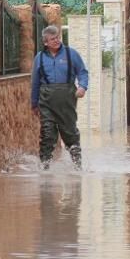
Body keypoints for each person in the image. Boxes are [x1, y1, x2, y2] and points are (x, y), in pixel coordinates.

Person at [30, 25, 89, 170]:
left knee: (69, 132)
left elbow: (83, 72)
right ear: (45, 42)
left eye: (57, 37)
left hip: (67, 99)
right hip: (46, 100)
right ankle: (45, 167)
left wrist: (82, 86)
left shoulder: (71, 54)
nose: (56, 40)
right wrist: (34, 103)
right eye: (52, 39)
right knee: (47, 133)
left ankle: (77, 165)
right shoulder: (40, 58)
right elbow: (35, 82)